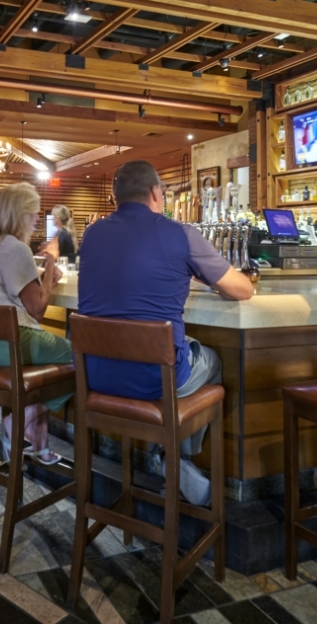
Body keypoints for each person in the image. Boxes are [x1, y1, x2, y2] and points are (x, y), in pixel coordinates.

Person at [78, 160, 254, 504]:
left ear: (115, 197)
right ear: (156, 193)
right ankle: (178, 459)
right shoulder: (180, 233)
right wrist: (203, 274)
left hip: (94, 375)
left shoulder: (92, 234)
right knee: (213, 360)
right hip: (155, 381)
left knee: (174, 344)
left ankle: (168, 459)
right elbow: (242, 289)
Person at [0, 182, 72, 466]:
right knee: (80, 358)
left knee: (48, 371)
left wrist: (46, 278)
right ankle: (17, 421)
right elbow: (37, 310)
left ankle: (40, 443)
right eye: (33, 212)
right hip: (7, 346)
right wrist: (50, 262)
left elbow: (21, 291)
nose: (37, 218)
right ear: (19, 214)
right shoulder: (16, 248)